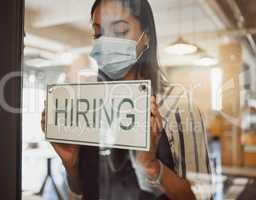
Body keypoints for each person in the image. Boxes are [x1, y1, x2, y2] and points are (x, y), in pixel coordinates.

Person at [41, 0, 212, 199]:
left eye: (120, 31)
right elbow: (81, 189)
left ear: (145, 37)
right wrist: (71, 164)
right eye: (98, 34)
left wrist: (151, 166)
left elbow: (201, 195)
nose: (105, 43)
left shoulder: (178, 104)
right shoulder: (89, 104)